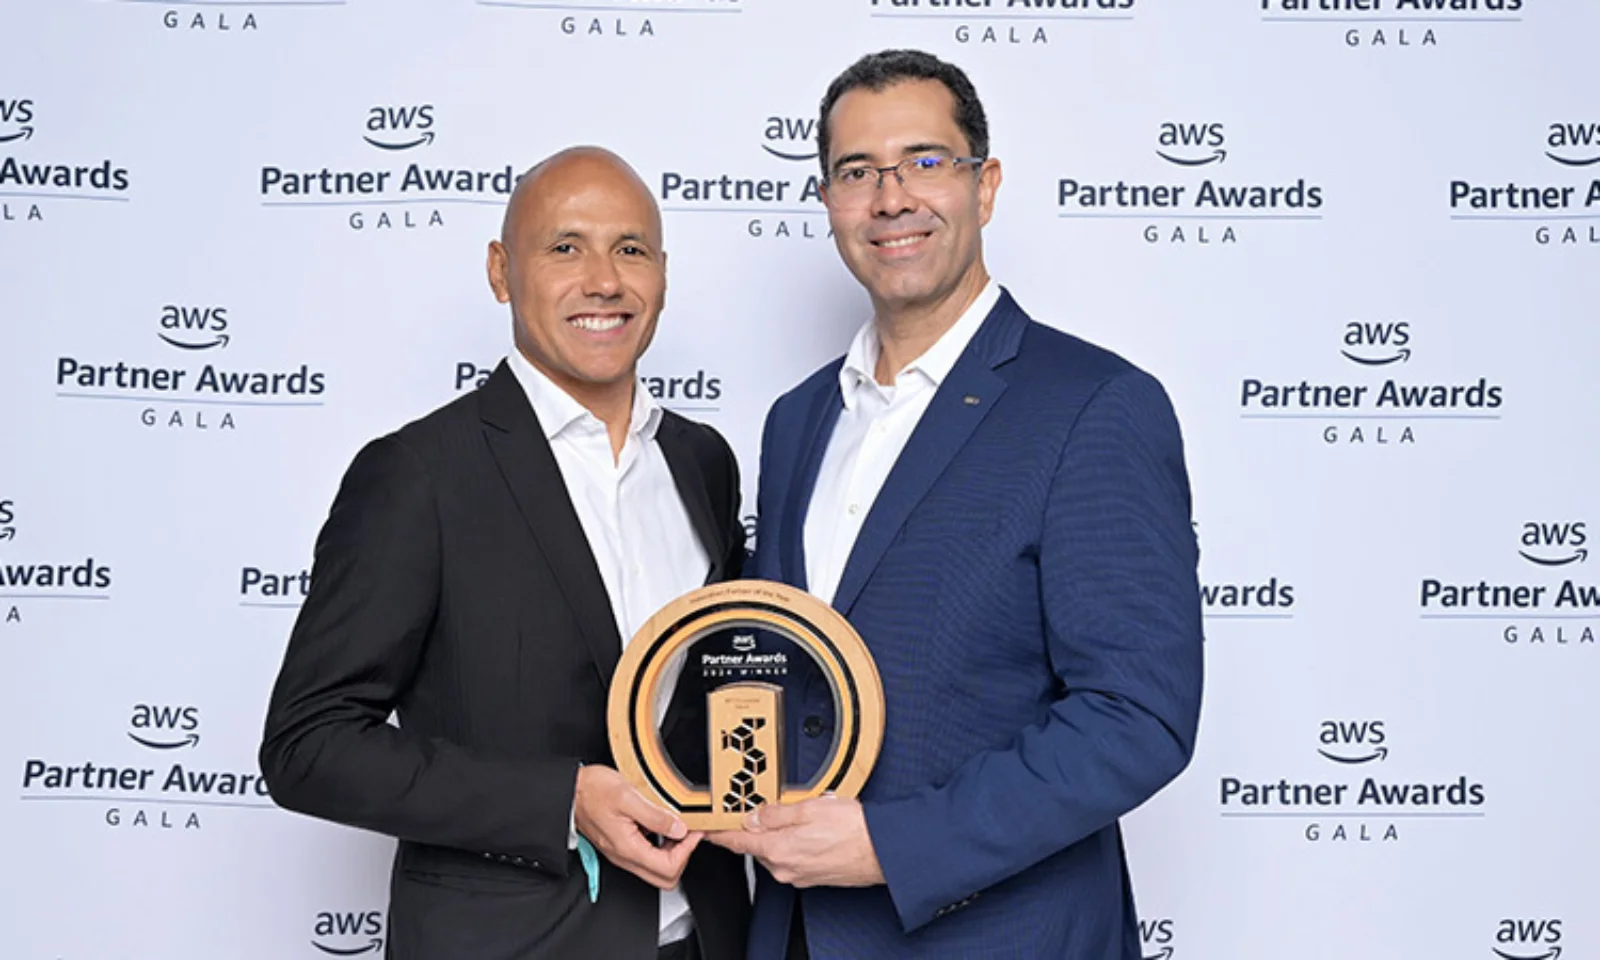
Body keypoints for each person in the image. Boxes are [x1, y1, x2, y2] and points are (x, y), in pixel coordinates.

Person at [710, 50, 1205, 959]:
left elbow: (1139, 714)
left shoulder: (1095, 405)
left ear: (987, 185)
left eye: (926, 161)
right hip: (794, 937)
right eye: (857, 172)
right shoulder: (797, 420)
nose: (891, 197)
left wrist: (893, 848)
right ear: (828, 202)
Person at [259, 147, 750, 960]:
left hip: (704, 936)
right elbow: (307, 744)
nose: (603, 280)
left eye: (631, 249)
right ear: (500, 271)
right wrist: (562, 801)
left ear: (663, 273)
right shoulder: (418, 474)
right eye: (565, 247)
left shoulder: (703, 461)